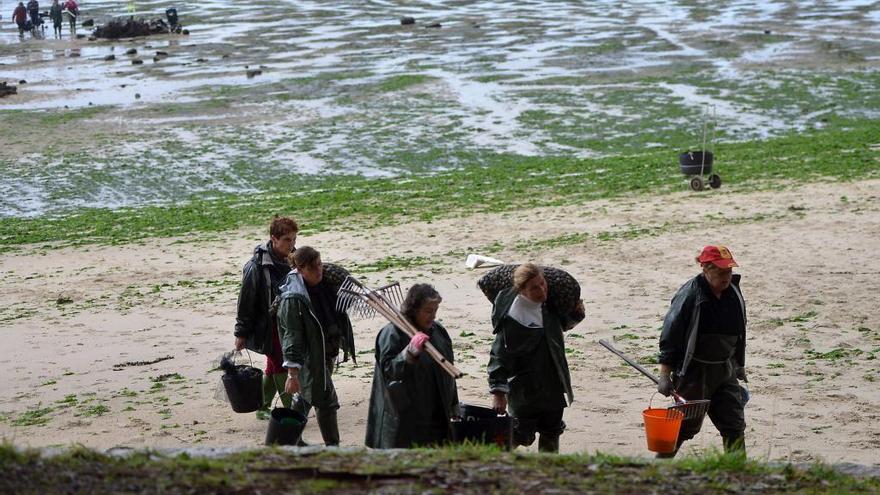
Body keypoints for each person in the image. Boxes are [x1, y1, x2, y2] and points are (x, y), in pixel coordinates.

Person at [657, 245, 748, 457]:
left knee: (734, 425)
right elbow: (670, 335)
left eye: (729, 271)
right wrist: (664, 374)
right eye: (721, 271)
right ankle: (657, 470)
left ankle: (739, 474)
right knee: (682, 428)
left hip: (724, 370)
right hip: (695, 373)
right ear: (705, 268)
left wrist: (738, 365)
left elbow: (738, 332)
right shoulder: (690, 294)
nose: (727, 276)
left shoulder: (733, 292)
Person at [487, 263, 578, 453]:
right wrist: (498, 392)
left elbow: (561, 327)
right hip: (525, 390)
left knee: (552, 431)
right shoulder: (513, 316)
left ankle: (550, 474)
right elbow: (499, 356)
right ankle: (491, 461)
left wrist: (577, 314)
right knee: (520, 434)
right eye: (534, 288)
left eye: (543, 283)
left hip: (552, 383)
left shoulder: (549, 305)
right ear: (522, 290)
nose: (542, 290)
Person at [277, 246, 355, 447]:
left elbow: (345, 297)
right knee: (326, 400)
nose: (319, 270)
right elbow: (291, 337)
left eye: (319, 264)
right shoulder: (293, 299)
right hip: (309, 357)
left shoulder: (327, 283)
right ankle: (333, 446)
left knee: (306, 397)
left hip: (326, 352)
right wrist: (293, 373)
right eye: (313, 268)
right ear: (300, 270)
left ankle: (287, 439)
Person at [365, 283, 460, 448]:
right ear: (414, 310)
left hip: (435, 413)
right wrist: (408, 354)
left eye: (435, 310)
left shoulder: (439, 333)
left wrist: (453, 405)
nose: (433, 316)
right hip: (403, 416)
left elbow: (448, 373)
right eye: (428, 311)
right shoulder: (392, 334)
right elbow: (388, 371)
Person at [234, 216, 298, 419]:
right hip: (267, 326)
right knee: (281, 363)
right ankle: (291, 411)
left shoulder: (292, 259)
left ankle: (262, 406)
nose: (292, 244)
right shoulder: (255, 267)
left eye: (294, 239)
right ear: (273, 238)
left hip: (287, 323)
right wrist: (241, 333)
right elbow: (246, 301)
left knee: (272, 367)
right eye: (287, 240)